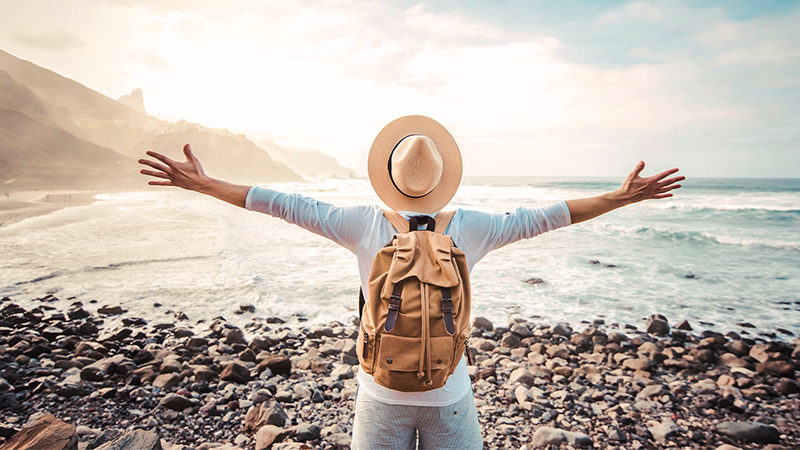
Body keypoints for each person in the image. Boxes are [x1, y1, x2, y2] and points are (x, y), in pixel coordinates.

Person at [139, 115, 683, 449]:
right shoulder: (472, 226)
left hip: (380, 390)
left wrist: (206, 185)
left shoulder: (360, 224)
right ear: (443, 180)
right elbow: (548, 216)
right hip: (450, 389)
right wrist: (619, 197)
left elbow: (283, 205)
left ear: (390, 177)